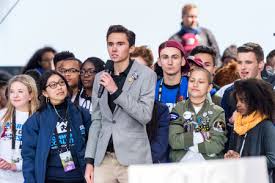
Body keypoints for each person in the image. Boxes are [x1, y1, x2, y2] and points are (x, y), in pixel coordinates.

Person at [84, 25, 157, 183]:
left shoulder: (147, 75)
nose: (114, 49)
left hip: (134, 159)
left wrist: (115, 91)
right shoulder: (100, 77)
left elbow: (144, 115)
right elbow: (97, 120)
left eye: (120, 44)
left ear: (131, 48)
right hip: (104, 159)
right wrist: (89, 161)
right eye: (110, 44)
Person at [22, 70, 91, 183]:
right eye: (53, 85)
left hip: (80, 176)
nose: (59, 87)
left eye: (61, 83)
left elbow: (92, 144)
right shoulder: (36, 120)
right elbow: (28, 156)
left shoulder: (81, 113)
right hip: (50, 178)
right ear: (45, 92)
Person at [221, 42, 274, 151]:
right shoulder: (228, 92)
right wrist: (230, 121)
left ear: (260, 64)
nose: (243, 67)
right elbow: (221, 131)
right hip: (235, 160)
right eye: (240, 62)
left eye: (248, 62)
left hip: (264, 162)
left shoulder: (271, 93)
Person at [169, 67, 227, 162]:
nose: (195, 85)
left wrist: (190, 146)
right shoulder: (178, 108)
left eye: (201, 82)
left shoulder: (218, 112)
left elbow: (217, 144)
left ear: (209, 87)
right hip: (181, 164)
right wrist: (202, 136)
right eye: (192, 81)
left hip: (208, 166)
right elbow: (174, 141)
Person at [224, 78, 275, 183]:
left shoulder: (266, 126)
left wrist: (243, 161)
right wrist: (230, 155)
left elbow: (272, 159)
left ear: (256, 100)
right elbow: (234, 151)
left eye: (243, 100)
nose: (238, 104)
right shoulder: (238, 124)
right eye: (237, 100)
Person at [131, 45, 170, 163]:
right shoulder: (117, 104)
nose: (136, 74)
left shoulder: (161, 110)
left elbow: (159, 146)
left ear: (151, 69)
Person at [0, 75, 39, 183]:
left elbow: (40, 153)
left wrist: (15, 166)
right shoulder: (2, 115)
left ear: (31, 95)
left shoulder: (39, 118)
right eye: (12, 91)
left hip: (27, 178)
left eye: (20, 91)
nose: (15, 95)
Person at [156, 40, 189, 112]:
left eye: (175, 57)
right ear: (159, 62)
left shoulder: (193, 85)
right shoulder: (151, 87)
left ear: (183, 61)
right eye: (165, 57)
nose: (170, 62)